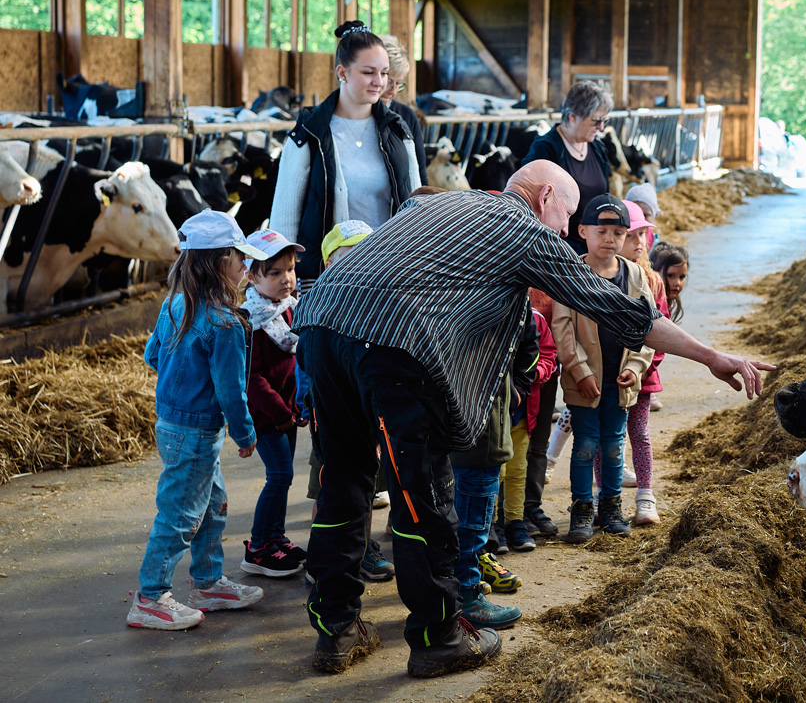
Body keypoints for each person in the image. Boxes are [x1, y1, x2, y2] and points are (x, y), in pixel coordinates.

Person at [293, 160, 771, 678]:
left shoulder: (444, 203)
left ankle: (336, 629)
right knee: (420, 497)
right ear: (544, 198)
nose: (565, 232)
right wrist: (710, 356)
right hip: (393, 345)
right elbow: (618, 308)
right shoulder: (522, 227)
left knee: (344, 481)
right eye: (566, 217)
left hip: (322, 322)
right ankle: (438, 639)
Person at [127, 210, 267, 631]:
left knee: (212, 507)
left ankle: (208, 583)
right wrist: (245, 433)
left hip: (172, 425)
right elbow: (230, 391)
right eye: (240, 257)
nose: (246, 265)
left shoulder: (173, 305)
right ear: (221, 263)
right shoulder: (225, 323)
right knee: (180, 516)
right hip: (197, 432)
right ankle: (150, 598)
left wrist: (181, 385)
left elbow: (153, 355)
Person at [270, 21, 422, 291]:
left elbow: (417, 204)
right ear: (342, 72)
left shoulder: (399, 132)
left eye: (384, 73)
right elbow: (284, 217)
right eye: (368, 72)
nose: (379, 82)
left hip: (388, 276)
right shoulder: (309, 132)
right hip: (324, 280)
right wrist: (283, 283)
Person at [553, 194, 656, 543]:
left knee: (613, 446)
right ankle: (582, 509)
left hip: (620, 381)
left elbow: (649, 326)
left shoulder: (635, 274)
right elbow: (563, 327)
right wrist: (580, 371)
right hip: (585, 382)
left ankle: (611, 508)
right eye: (602, 231)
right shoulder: (571, 274)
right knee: (584, 445)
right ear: (582, 231)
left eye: (618, 232)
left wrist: (636, 367)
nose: (610, 239)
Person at [300, 219, 396, 584]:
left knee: (366, 489)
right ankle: (321, 556)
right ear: (329, 263)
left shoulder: (379, 303)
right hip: (331, 414)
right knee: (329, 489)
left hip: (371, 413)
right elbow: (304, 359)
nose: (360, 262)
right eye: (350, 255)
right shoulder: (317, 303)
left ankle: (362, 548)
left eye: (368, 253)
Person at [450, 308, 539, 630]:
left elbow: (528, 341)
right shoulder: (487, 287)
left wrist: (517, 389)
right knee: (473, 508)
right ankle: (466, 595)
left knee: (465, 507)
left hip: (479, 409)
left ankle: (456, 588)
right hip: (473, 418)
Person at [239, 229, 309, 578]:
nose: (287, 279)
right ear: (252, 276)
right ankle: (257, 548)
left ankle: (276, 537)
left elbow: (294, 364)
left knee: (285, 477)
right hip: (266, 415)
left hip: (287, 412)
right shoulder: (249, 320)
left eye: (291, 269)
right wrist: (281, 413)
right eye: (275, 272)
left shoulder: (289, 309)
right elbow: (252, 379)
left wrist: (297, 405)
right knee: (279, 475)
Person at [593, 201, 666, 526]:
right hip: (605, 374)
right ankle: (603, 497)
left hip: (641, 376)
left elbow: (661, 330)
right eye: (631, 235)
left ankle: (645, 496)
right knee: (601, 439)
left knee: (639, 434)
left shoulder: (652, 281)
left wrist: (642, 368)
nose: (638, 242)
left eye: (642, 235)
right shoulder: (597, 276)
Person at [520, 81, 613, 254]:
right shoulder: (545, 149)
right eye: (596, 120)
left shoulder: (597, 148)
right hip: (558, 249)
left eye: (604, 121)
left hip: (596, 248)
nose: (601, 127)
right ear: (573, 116)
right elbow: (529, 204)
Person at [500, 297, 558, 552]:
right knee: (495, 471)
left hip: (523, 410)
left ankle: (515, 522)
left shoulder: (535, 318)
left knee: (517, 469)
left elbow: (548, 354)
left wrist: (535, 373)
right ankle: (492, 526)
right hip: (492, 412)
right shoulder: (487, 311)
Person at [377, 33, 427, 180]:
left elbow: (420, 171)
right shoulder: (355, 115)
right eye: (389, 81)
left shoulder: (407, 115)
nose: (393, 91)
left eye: (398, 84)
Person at [648, 242, 690, 412]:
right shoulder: (649, 299)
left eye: (682, 277)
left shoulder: (669, 301)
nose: (677, 283)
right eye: (671, 275)